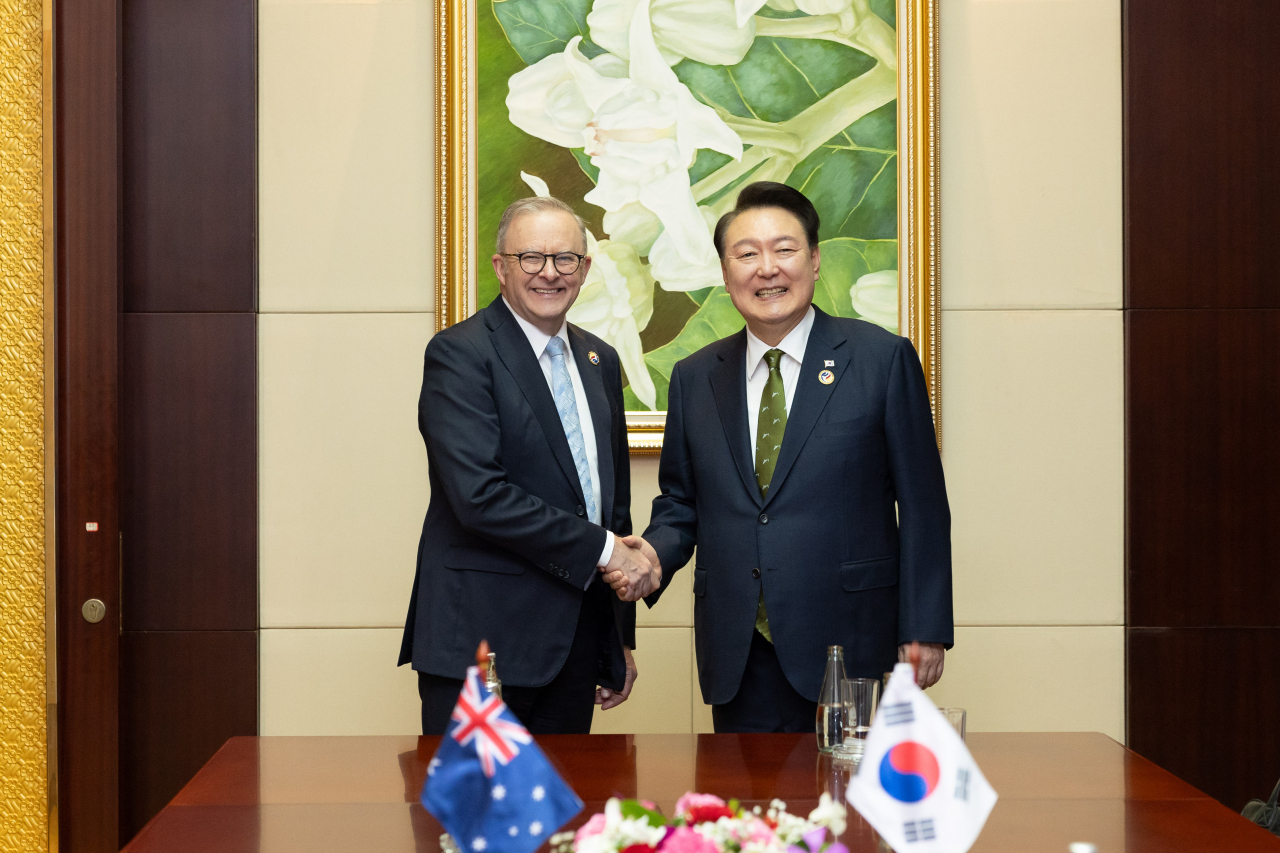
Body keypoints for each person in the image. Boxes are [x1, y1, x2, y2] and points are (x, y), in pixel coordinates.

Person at [632, 181, 952, 733]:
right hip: (738, 645)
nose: (767, 268)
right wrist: (653, 558)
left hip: (848, 643)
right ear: (726, 271)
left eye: (784, 249)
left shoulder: (881, 360)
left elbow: (923, 505)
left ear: (815, 260)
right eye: (747, 254)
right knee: (743, 816)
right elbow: (681, 501)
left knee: (844, 810)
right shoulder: (694, 377)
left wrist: (924, 627)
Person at [398, 196, 661, 735]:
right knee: (476, 818)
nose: (549, 273)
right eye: (530, 258)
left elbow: (611, 508)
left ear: (585, 269)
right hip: (482, 648)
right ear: (500, 266)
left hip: (573, 649)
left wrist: (617, 640)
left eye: (565, 259)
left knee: (568, 815)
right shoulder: (460, 354)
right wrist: (610, 551)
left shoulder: (600, 361)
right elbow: (480, 498)